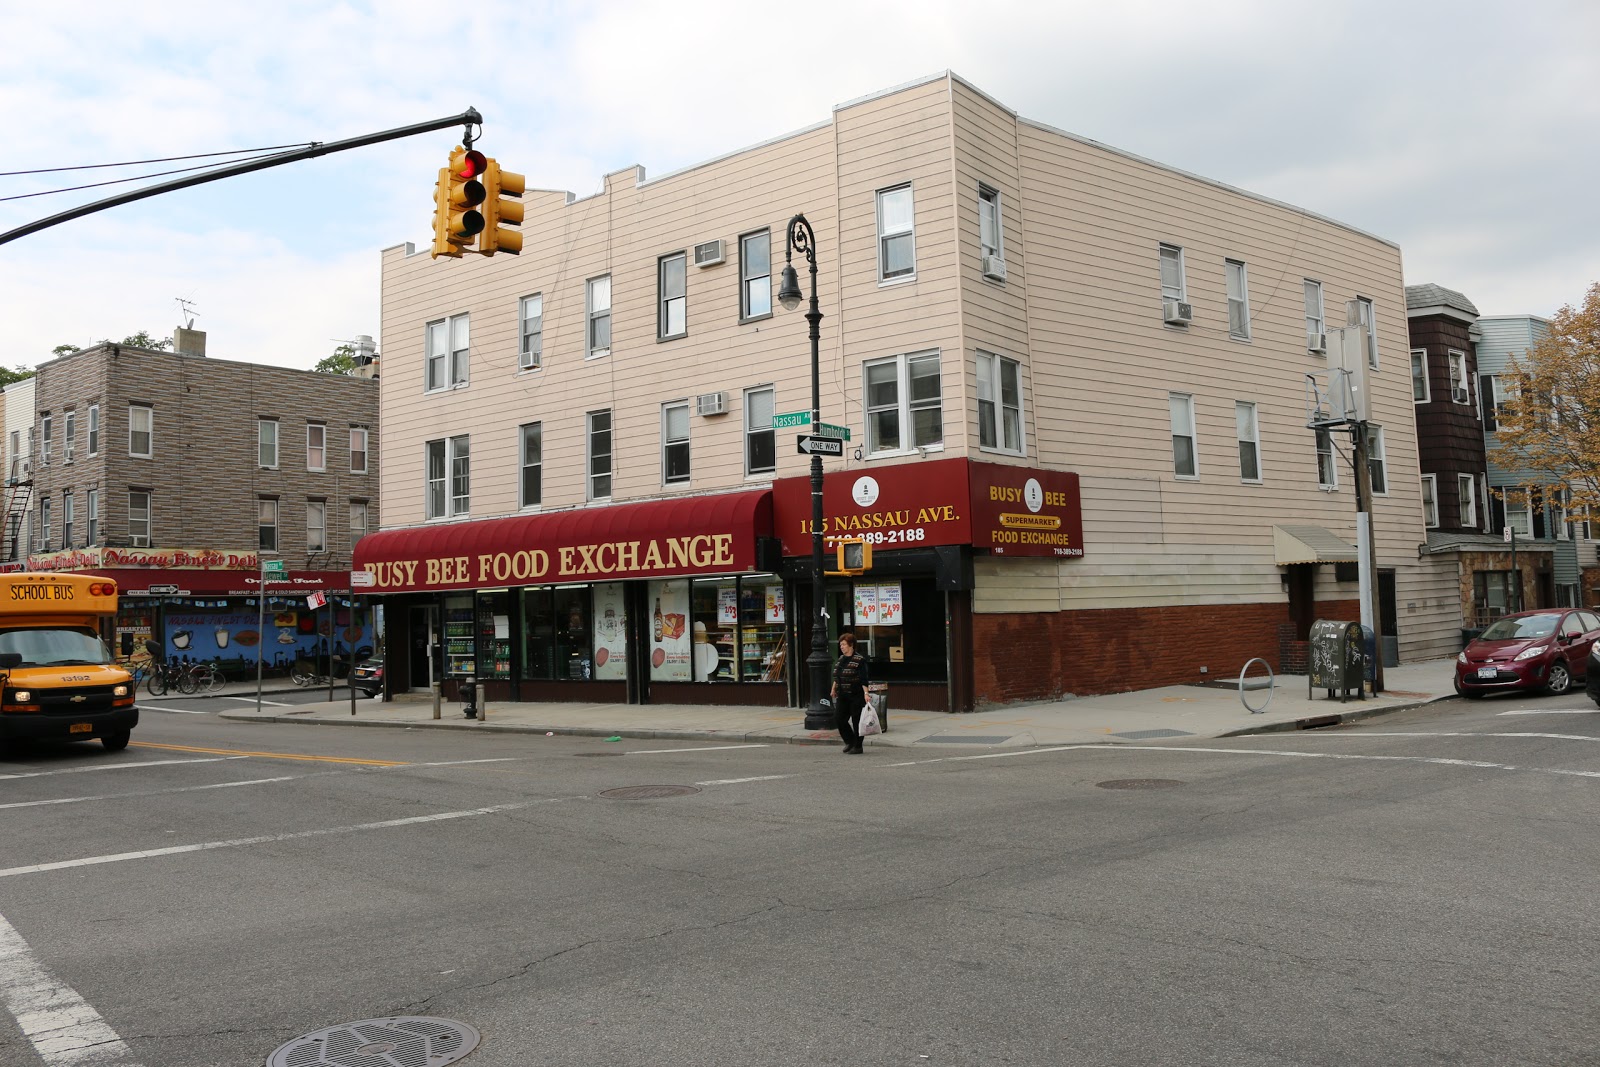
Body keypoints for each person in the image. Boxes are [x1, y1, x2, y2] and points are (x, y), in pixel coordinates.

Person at [831, 632, 870, 754]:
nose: (841, 647)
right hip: (843, 694)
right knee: (839, 718)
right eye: (840, 645)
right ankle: (850, 741)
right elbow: (838, 676)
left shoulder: (860, 660)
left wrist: (866, 693)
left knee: (856, 721)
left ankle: (858, 746)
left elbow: (864, 679)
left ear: (851, 645)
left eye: (843, 644)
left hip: (856, 695)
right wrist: (833, 688)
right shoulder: (841, 659)